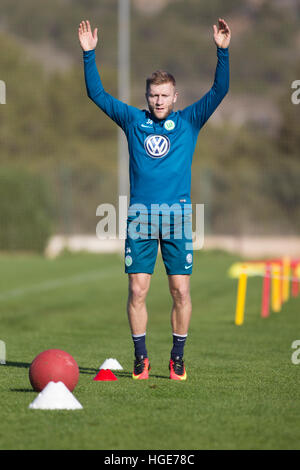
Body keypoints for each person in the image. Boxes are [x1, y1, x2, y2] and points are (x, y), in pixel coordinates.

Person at [78, 18, 231, 381]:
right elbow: (97, 95)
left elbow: (219, 91)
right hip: (140, 219)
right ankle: (141, 357)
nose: (159, 100)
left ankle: (177, 357)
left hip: (176, 218)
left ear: (175, 97)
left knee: (180, 290)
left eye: (165, 95)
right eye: (153, 95)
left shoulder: (190, 121)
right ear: (146, 97)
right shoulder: (133, 121)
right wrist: (88, 55)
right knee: (137, 289)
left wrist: (222, 52)